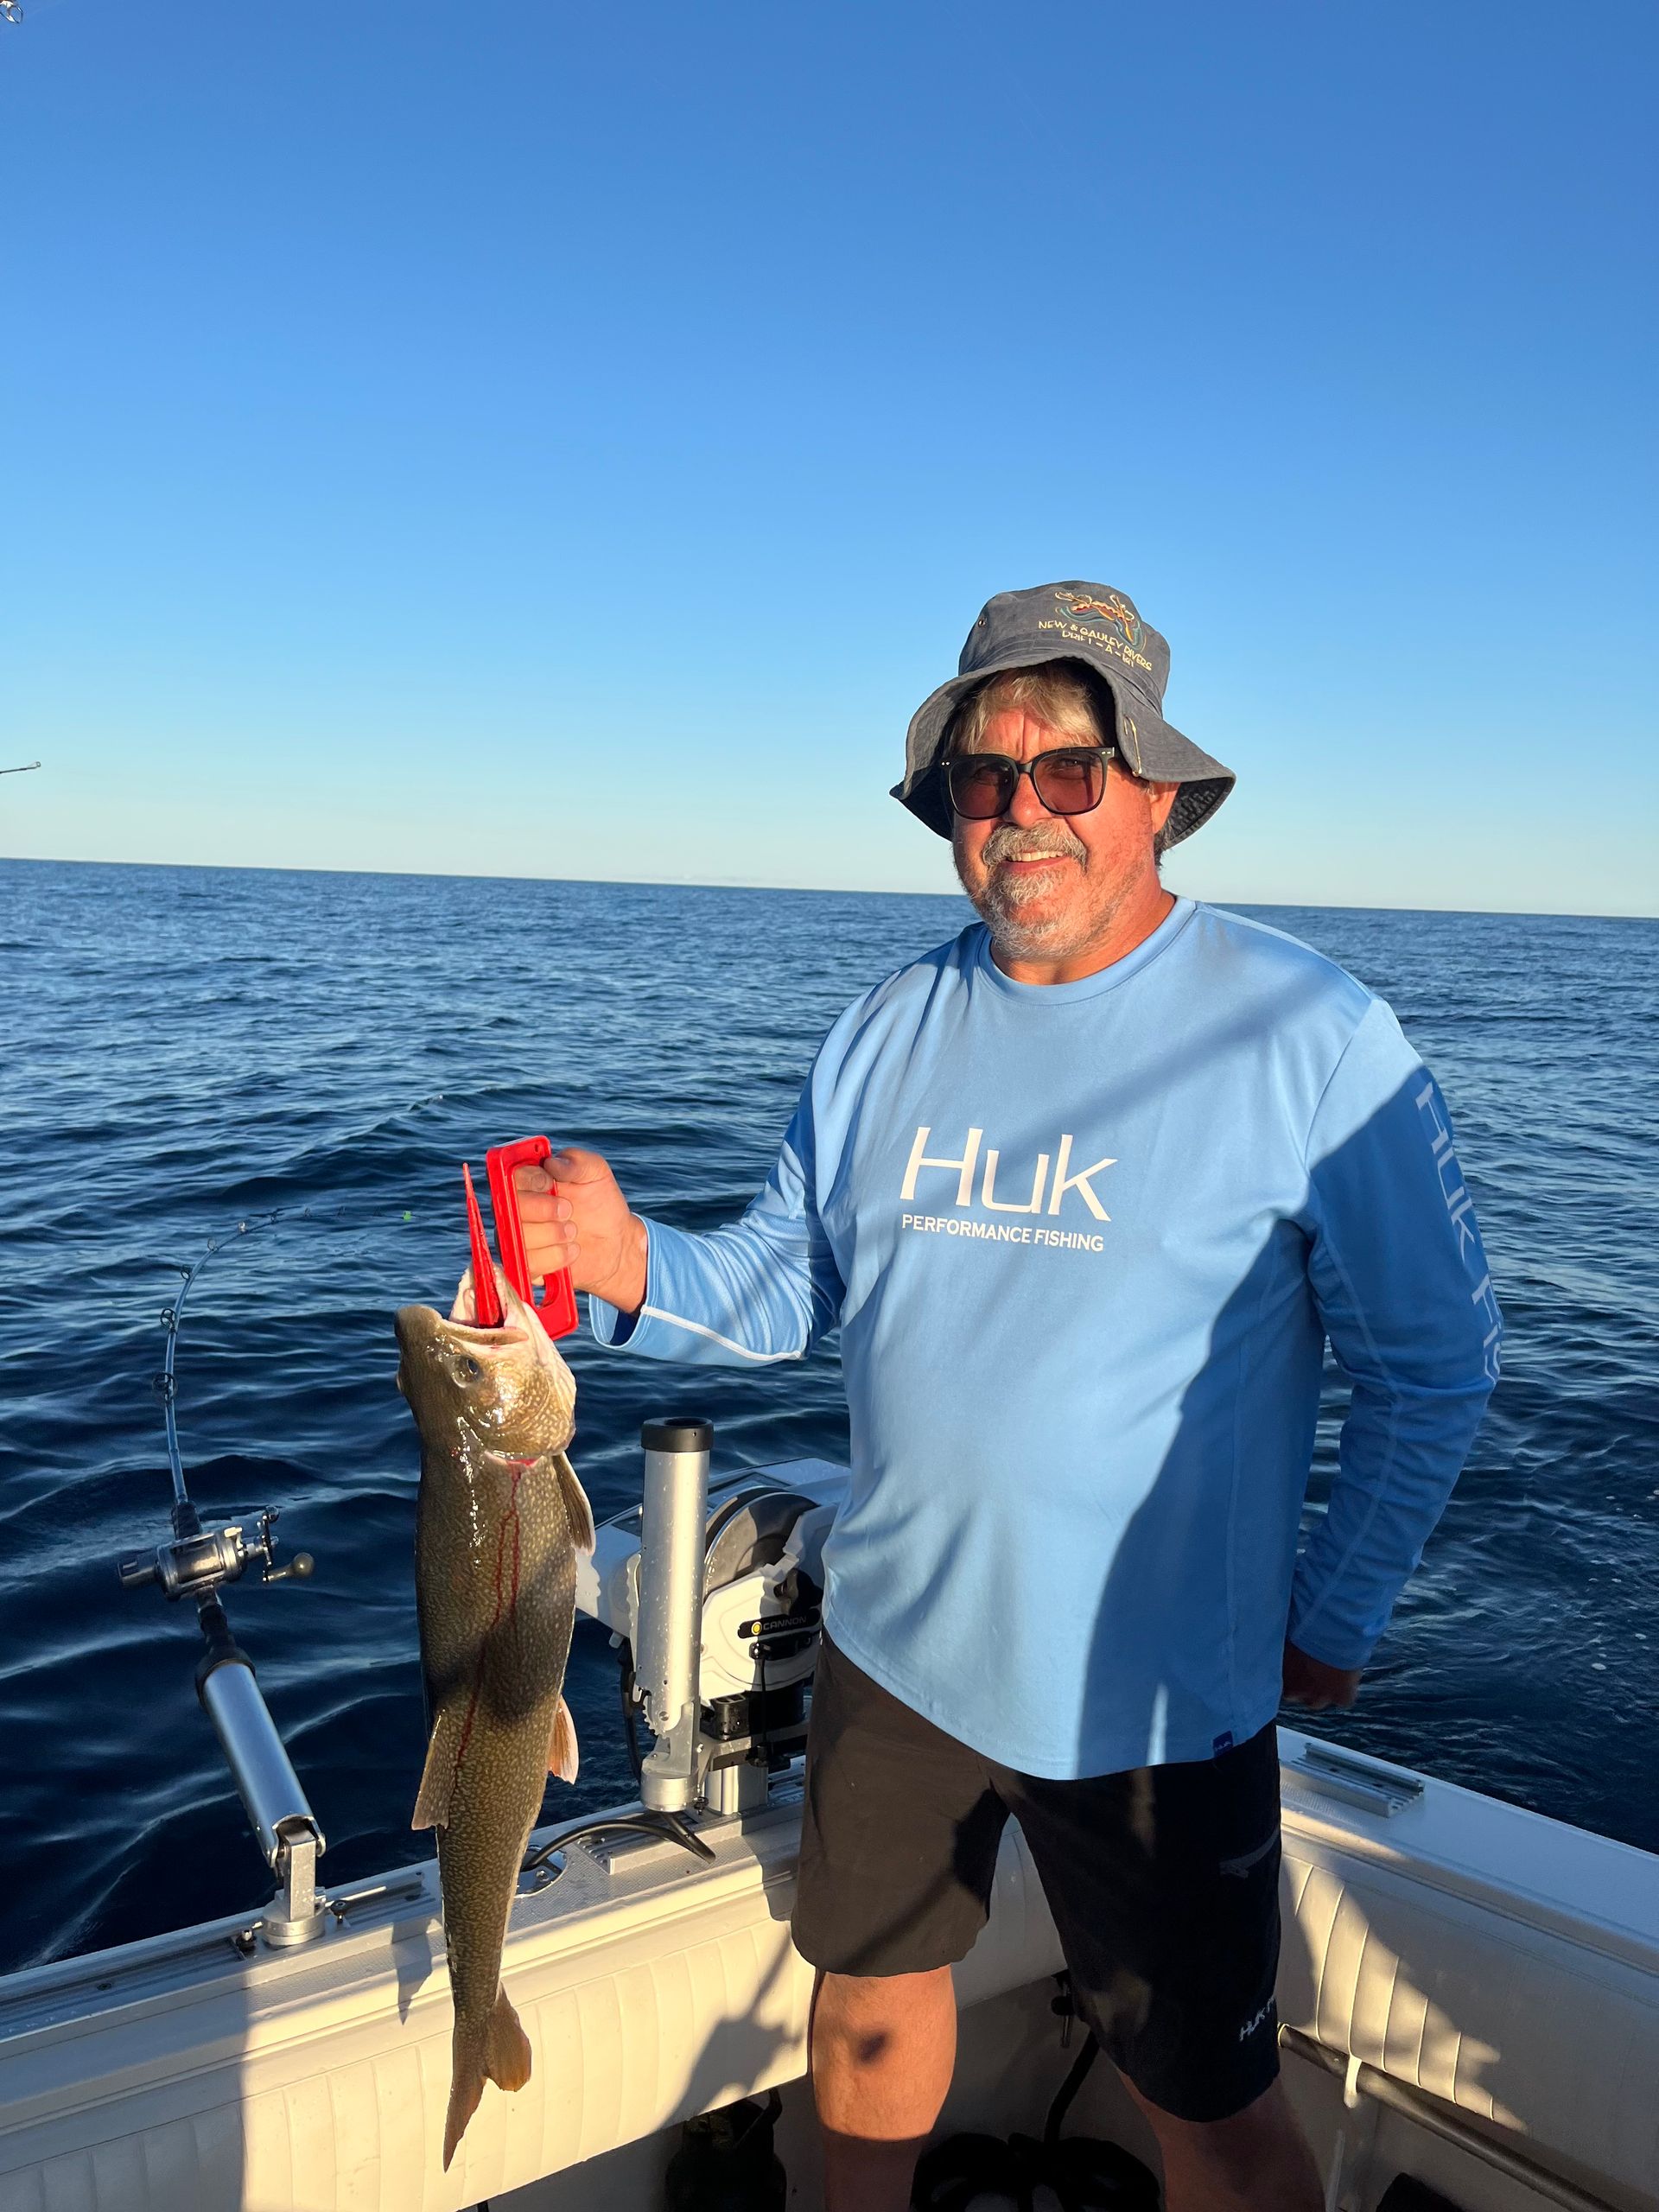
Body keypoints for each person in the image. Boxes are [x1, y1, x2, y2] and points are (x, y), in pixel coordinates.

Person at [514, 582, 1501, 2212]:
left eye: (1070, 770)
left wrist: (1336, 1612)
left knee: (1214, 2110)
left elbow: (1435, 1361)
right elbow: (788, 1285)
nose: (1023, 813)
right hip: (897, 1649)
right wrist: (629, 1264)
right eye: (987, 776)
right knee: (868, 2024)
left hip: (1163, 1698)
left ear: (1159, 796)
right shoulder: (884, 1026)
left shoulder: (1319, 1036)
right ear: (947, 810)